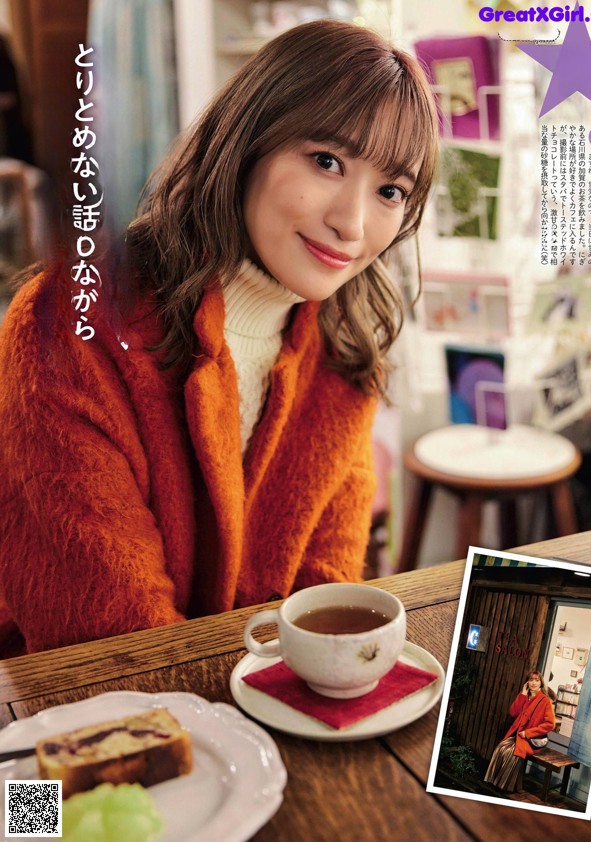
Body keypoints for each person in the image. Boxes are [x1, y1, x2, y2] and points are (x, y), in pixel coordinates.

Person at [0, 20, 439, 656]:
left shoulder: (343, 354)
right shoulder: (71, 327)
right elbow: (110, 643)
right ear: (248, 140)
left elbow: (328, 597)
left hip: (270, 726)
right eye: (326, 161)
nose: (352, 223)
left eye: (391, 191)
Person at [484, 671, 556, 792]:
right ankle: (493, 780)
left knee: (511, 752)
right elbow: (513, 712)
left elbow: (550, 724)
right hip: (518, 736)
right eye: (531, 680)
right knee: (501, 747)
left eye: (537, 680)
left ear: (541, 683)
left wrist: (528, 733)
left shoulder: (545, 701)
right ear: (527, 682)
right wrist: (522, 694)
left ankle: (505, 786)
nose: (533, 683)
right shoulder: (525, 696)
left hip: (532, 739)